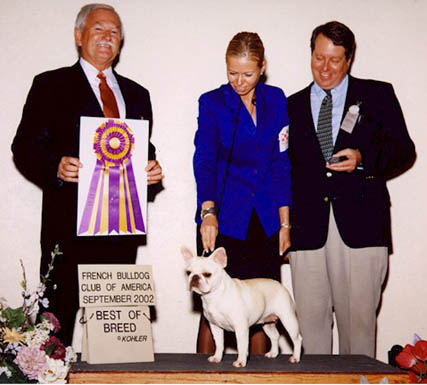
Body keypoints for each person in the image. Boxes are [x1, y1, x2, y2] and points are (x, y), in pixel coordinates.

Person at [11, 3, 163, 346]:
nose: (107, 37)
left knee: (116, 340)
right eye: (98, 29)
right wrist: (55, 166)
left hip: (122, 229)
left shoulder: (139, 94)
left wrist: (151, 170)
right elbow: (23, 147)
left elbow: (141, 149)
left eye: (114, 32)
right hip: (67, 229)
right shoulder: (50, 85)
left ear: (121, 42)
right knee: (54, 325)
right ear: (79, 35)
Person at [287, 21, 415, 357]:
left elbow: (404, 150)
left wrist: (362, 158)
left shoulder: (377, 95)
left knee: (358, 334)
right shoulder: (289, 105)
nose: (324, 67)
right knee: (310, 332)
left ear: (349, 59)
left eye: (334, 60)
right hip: (306, 231)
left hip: (362, 228)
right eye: (318, 58)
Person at [193, 32, 292, 354]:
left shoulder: (276, 99)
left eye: (247, 74)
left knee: (260, 310)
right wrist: (208, 214)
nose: (238, 81)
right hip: (224, 218)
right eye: (232, 72)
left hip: (264, 220)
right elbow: (204, 159)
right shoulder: (212, 102)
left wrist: (285, 224)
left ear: (262, 67)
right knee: (214, 311)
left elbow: (281, 163)